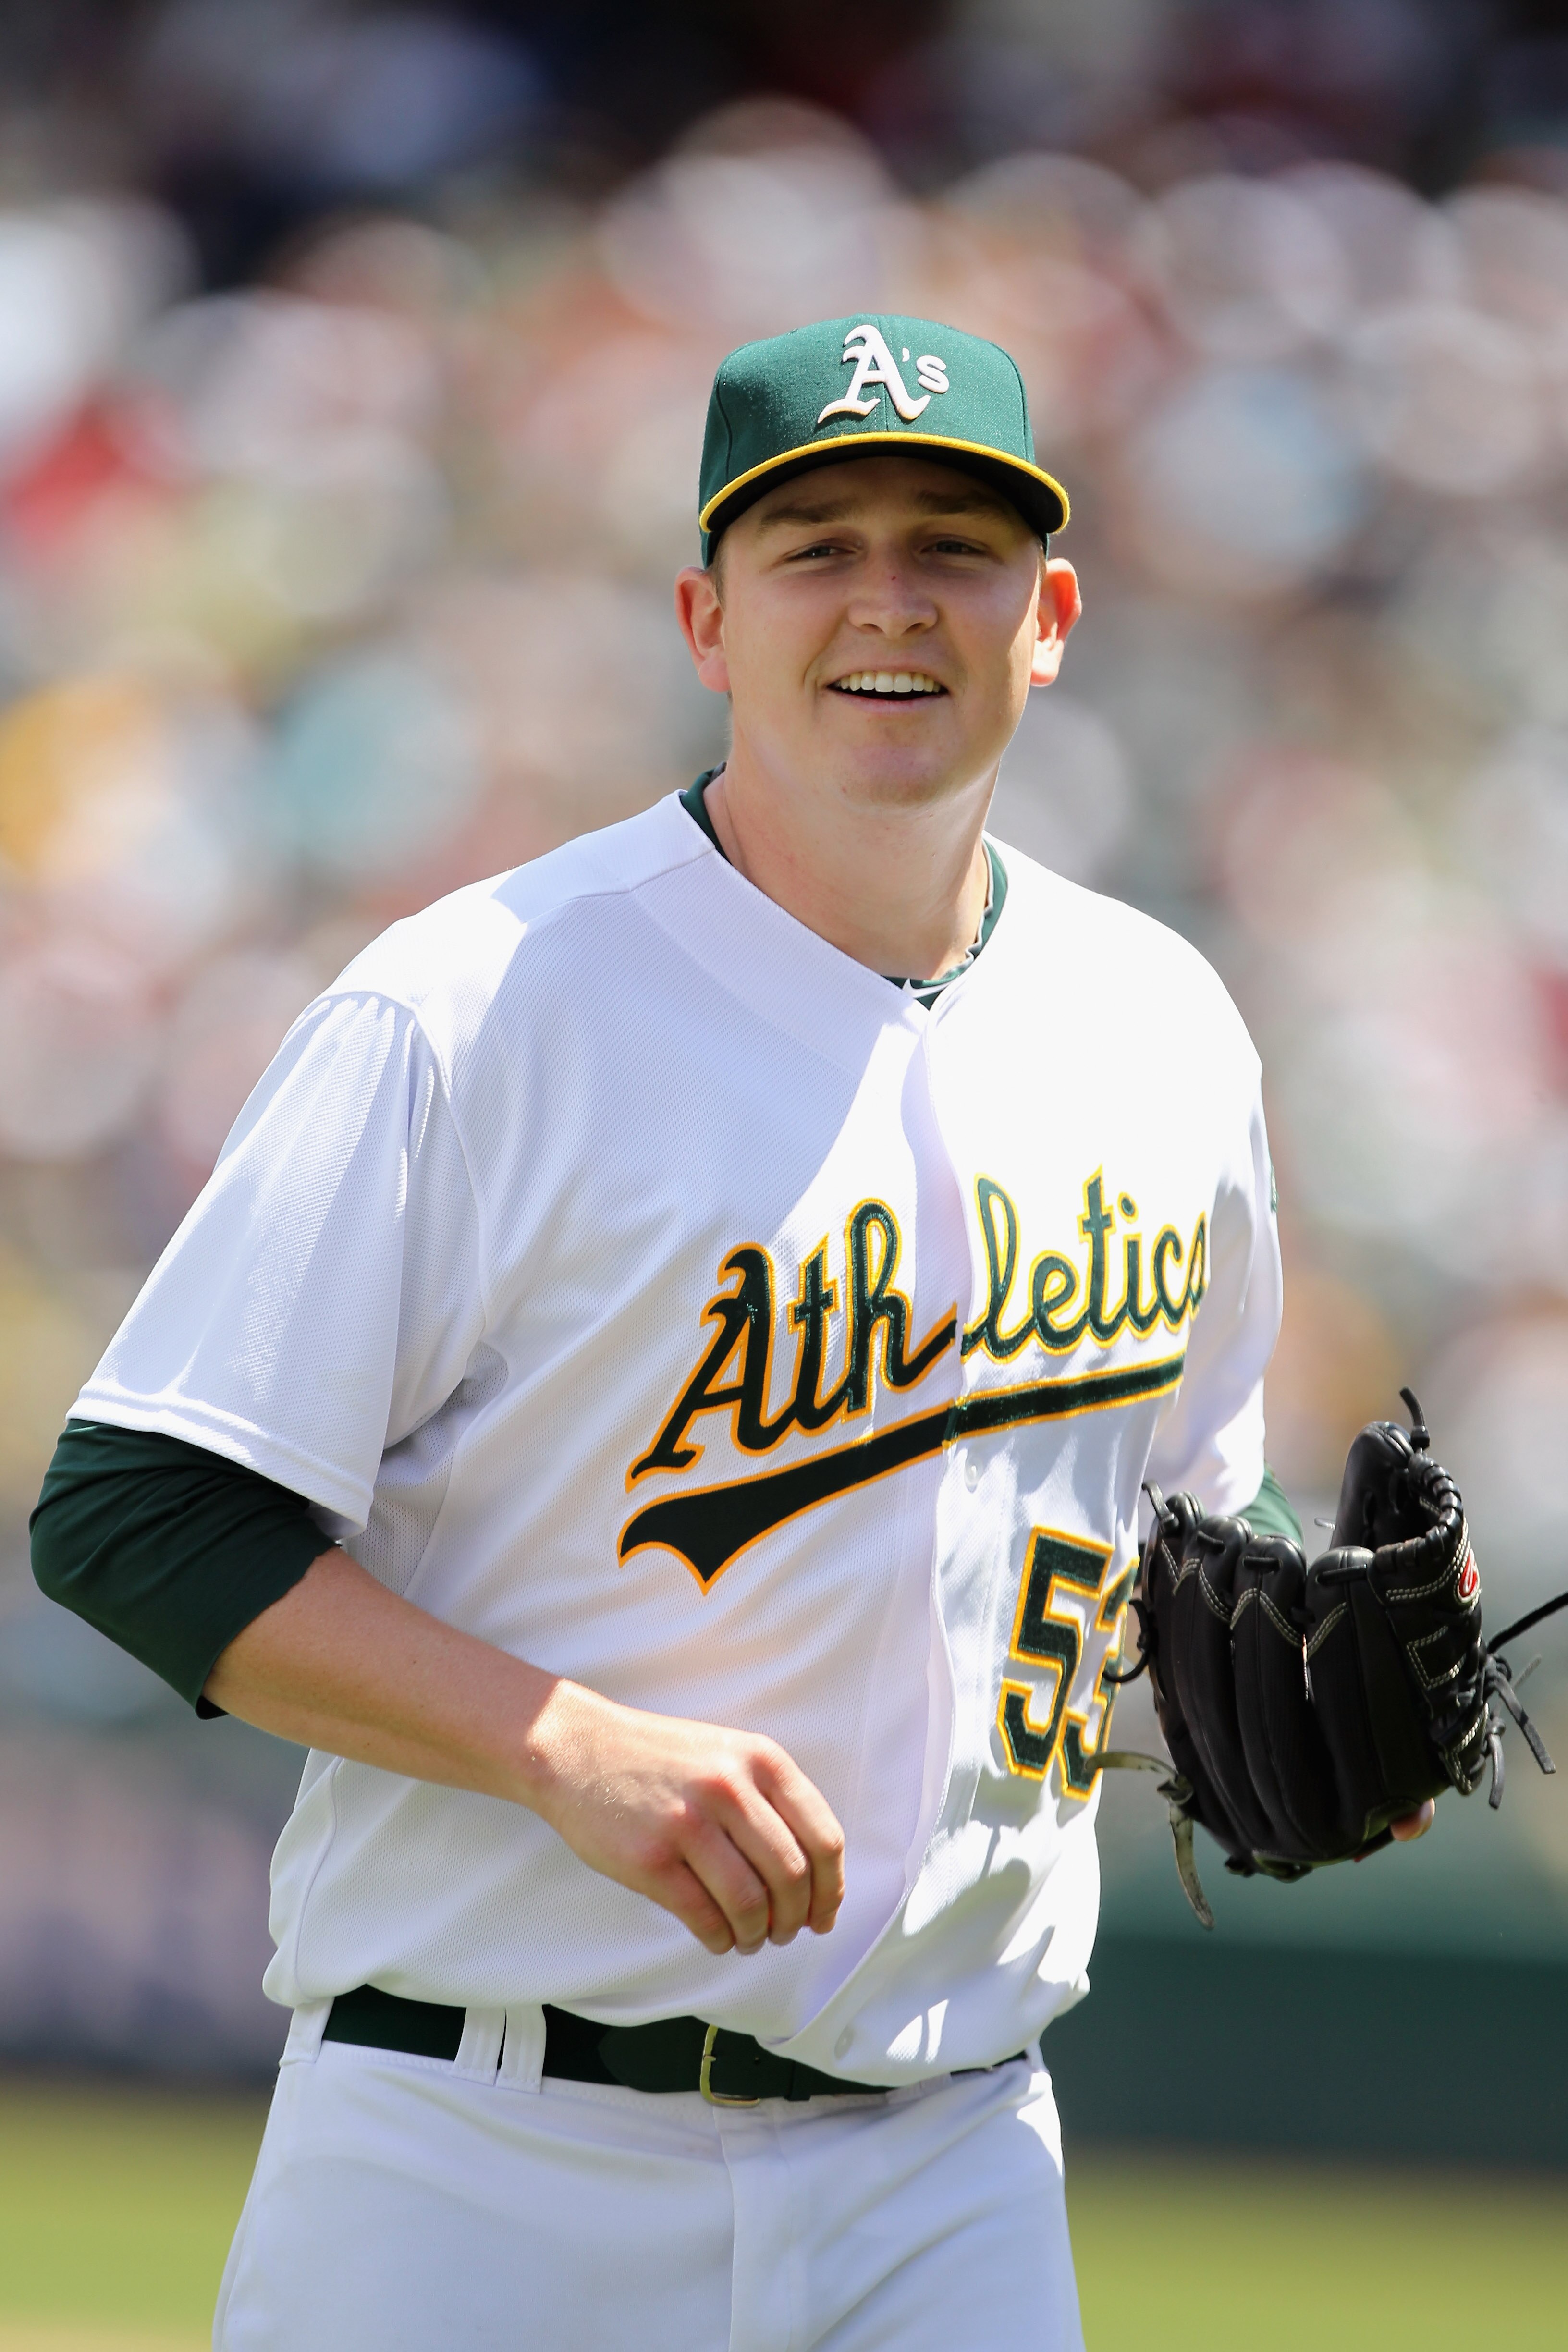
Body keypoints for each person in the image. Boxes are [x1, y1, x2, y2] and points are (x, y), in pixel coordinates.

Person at [31, 312, 1429, 2350]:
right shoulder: (480, 1007)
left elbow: (1193, 1521)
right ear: (707, 617)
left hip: (957, 2158)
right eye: (818, 547)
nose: (888, 602)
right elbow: (134, 1515)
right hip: (483, 2145)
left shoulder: (1161, 1026)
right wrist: (561, 1747)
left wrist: (1291, 1674)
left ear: (1047, 619)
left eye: (950, 549)